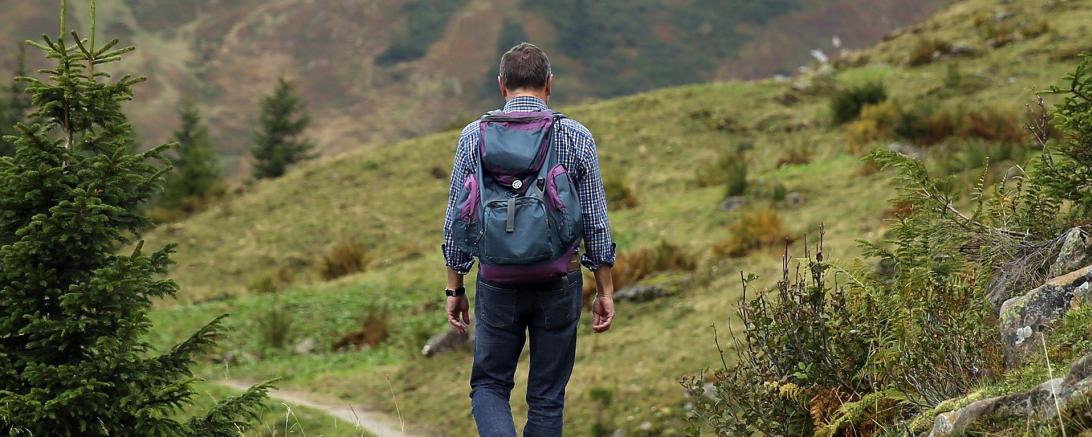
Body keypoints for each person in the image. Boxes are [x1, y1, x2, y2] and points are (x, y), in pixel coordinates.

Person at [441, 42, 617, 436]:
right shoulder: (575, 136)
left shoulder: (473, 137)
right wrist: (605, 288)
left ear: (502, 85)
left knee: (489, 385)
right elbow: (596, 221)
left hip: (498, 281)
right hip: (559, 280)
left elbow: (457, 216)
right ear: (549, 85)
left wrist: (455, 289)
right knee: (547, 397)